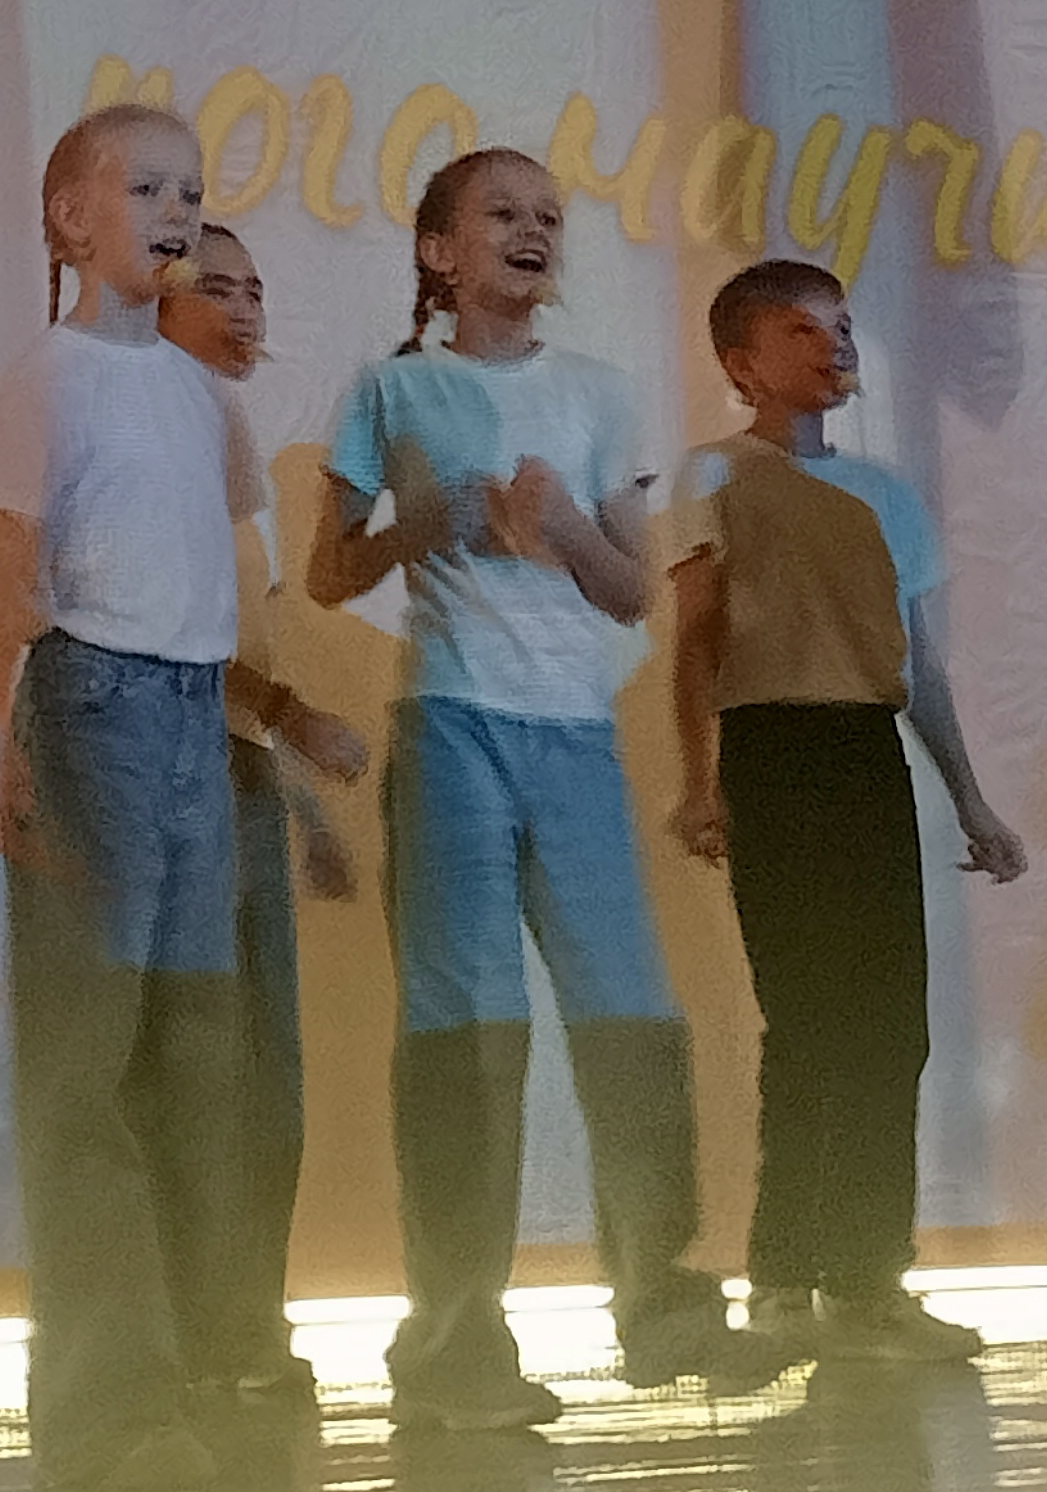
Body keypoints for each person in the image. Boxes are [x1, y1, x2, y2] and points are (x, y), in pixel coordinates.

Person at [312, 147, 792, 1416]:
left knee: (631, 1016)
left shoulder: (596, 392)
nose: (531, 234)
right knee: (465, 1028)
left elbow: (633, 591)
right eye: (500, 215)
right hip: (449, 726)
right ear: (439, 252)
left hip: (573, 735)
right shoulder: (393, 388)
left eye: (547, 218)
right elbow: (325, 572)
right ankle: (455, 1345)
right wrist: (420, 528)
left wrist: (567, 529)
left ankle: (666, 1314)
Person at [0, 105, 266, 1492]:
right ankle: (103, 1394)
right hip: (92, 709)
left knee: (192, 1050)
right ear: (68, 219)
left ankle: (194, 1361)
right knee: (87, 1062)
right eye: (143, 188)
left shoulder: (200, 395)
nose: (174, 212)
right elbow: (6, 572)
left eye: (188, 190)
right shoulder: (50, 376)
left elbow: (217, 566)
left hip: (193, 718)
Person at [666, 258, 1026, 1366]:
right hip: (772, 754)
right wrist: (700, 779)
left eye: (844, 327)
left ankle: (868, 1282)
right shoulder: (713, 474)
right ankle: (784, 1278)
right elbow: (696, 639)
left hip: (866, 757)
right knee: (810, 1022)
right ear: (740, 364)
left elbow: (915, 663)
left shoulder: (887, 495)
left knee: (892, 1029)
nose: (835, 347)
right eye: (801, 331)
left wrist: (971, 798)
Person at [158, 224, 372, 1399]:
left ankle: (246, 1323)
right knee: (196, 1072)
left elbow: (240, 650)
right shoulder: (147, 441)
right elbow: (167, 638)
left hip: (240, 778)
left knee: (264, 1083)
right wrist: (294, 716)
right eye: (215, 289)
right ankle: (196, 1335)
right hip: (161, 778)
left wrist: (301, 806)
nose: (243, 310)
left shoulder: (231, 464)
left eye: (255, 290)